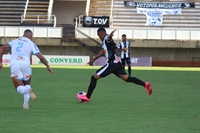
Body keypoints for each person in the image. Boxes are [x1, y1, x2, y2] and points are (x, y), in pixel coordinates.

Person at [77, 28, 152, 102]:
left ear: (100, 34)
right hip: (117, 63)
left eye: (99, 36)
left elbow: (108, 38)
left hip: (111, 64)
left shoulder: (106, 38)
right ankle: (145, 84)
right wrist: (95, 58)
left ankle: (87, 97)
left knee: (94, 77)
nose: (99, 37)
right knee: (127, 78)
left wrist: (110, 35)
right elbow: (103, 51)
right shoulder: (105, 42)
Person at [0, 29, 53, 109]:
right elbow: (40, 57)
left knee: (18, 86)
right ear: (31, 36)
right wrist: (47, 66)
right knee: (27, 84)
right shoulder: (31, 43)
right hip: (26, 64)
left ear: (23, 35)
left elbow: (1, 48)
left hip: (15, 64)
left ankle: (27, 91)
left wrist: (0, 62)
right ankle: (26, 105)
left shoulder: (14, 41)